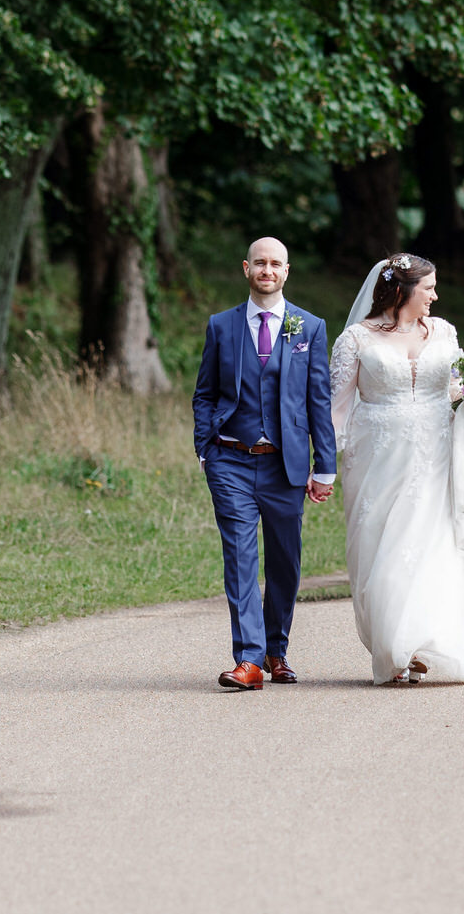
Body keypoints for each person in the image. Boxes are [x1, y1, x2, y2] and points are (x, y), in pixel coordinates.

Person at [329, 251, 464, 683]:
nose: (435, 297)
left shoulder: (444, 331)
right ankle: (394, 646)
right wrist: (323, 468)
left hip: (443, 452)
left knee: (439, 546)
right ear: (401, 290)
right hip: (379, 457)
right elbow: (338, 410)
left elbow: (457, 387)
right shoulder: (356, 340)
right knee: (385, 548)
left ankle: (425, 642)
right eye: (428, 288)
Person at [194, 237, 336, 691]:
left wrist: (324, 465)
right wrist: (205, 447)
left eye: (275, 263)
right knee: (239, 557)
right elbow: (205, 392)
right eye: (260, 263)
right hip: (230, 459)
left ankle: (277, 649)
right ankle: (249, 660)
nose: (267, 270)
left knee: (285, 563)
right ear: (246, 268)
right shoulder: (222, 325)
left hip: (285, 465)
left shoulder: (307, 328)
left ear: (286, 271)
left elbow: (319, 400)